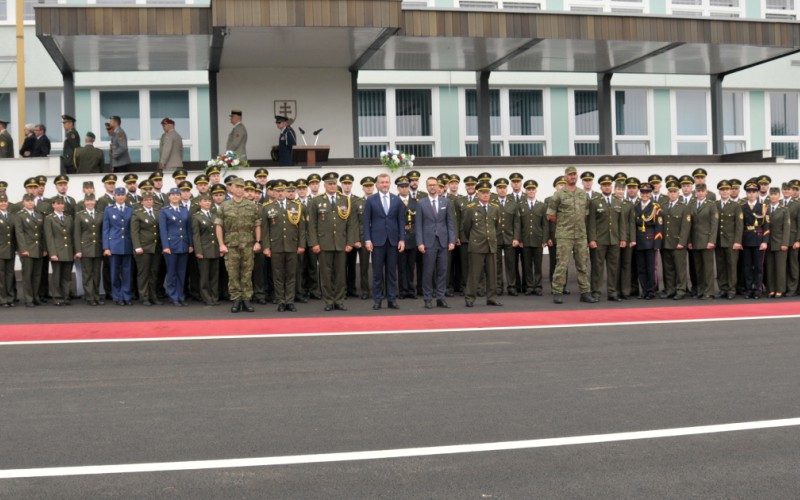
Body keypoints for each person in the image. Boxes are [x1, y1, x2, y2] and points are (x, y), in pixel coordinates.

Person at [307, 172, 357, 311]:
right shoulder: (316, 201)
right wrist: (314, 243)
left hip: (341, 243)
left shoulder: (345, 200)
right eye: (330, 184)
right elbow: (312, 225)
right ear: (325, 185)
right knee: (326, 274)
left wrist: (350, 242)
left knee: (340, 274)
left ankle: (339, 300)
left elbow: (351, 224)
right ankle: (329, 300)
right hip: (324, 244)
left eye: (334, 183)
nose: (333, 186)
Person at [547, 166, 596, 304]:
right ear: (565, 177)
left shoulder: (582, 194)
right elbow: (550, 215)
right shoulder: (558, 194)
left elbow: (585, 214)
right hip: (564, 235)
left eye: (574, 174)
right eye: (570, 175)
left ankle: (585, 292)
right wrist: (564, 223)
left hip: (580, 234)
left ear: (577, 176)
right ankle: (557, 291)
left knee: (582, 265)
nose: (572, 177)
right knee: (562, 264)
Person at [215, 178, 262, 313]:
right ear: (232, 188)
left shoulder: (251, 205)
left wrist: (258, 242)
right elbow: (219, 226)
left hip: (248, 244)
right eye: (237, 187)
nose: (240, 189)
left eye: (242, 187)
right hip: (231, 245)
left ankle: (246, 299)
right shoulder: (225, 206)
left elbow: (257, 225)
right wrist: (221, 244)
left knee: (247, 273)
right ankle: (236, 299)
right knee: (233, 273)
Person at [262, 180, 306, 312]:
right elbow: (265, 230)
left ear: (287, 192)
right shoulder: (267, 207)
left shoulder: (297, 206)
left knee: (291, 275)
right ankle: (281, 301)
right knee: (278, 275)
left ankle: (290, 301)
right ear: (274, 192)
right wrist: (266, 247)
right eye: (278, 191)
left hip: (292, 245)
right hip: (276, 246)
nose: (280, 194)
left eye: (283, 191)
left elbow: (302, 229)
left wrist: (301, 245)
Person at [363, 173, 405, 310]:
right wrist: (368, 239)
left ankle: (392, 299)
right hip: (377, 242)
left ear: (390, 183)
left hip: (393, 241)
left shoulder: (396, 200)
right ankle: (378, 300)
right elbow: (366, 222)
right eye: (382, 182)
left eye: (387, 182)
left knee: (392, 272)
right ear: (377, 184)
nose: (384, 184)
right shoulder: (371, 200)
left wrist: (402, 239)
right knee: (377, 273)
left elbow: (401, 222)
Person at [416, 176, 456, 309]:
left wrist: (452, 240)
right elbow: (419, 225)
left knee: (443, 271)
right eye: (430, 185)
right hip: (428, 242)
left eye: (434, 185)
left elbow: (450, 223)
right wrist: (420, 242)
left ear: (439, 186)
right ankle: (427, 298)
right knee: (428, 271)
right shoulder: (421, 203)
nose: (432, 187)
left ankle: (440, 297)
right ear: (426, 187)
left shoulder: (446, 202)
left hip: (443, 242)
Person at [462, 181, 503, 308]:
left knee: (492, 274)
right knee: (474, 274)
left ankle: (491, 297)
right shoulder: (471, 208)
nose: (485, 195)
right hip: (477, 245)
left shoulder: (495, 208)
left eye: (487, 192)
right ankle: (470, 297)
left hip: (491, 245)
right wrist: (475, 239)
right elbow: (466, 228)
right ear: (477, 193)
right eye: (482, 192)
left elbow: (496, 226)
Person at [587, 174, 624, 301]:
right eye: (604, 185)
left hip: (614, 240)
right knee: (597, 267)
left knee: (613, 268)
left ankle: (612, 292)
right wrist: (592, 239)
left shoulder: (618, 201)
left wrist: (622, 238)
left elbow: (621, 223)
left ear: (612, 186)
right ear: (601, 186)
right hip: (599, 240)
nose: (607, 187)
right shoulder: (595, 201)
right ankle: (596, 292)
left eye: (609, 185)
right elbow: (591, 222)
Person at [160, 187, 193, 306]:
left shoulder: (184, 210)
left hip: (183, 245)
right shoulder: (165, 211)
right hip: (171, 246)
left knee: (181, 272)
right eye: (173, 195)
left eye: (177, 195)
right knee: (172, 272)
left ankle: (180, 295)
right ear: (169, 197)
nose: (175, 197)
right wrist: (165, 246)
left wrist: (190, 244)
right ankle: (173, 295)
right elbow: (163, 230)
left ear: (180, 197)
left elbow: (188, 228)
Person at [660, 180, 692, 300]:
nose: (672, 194)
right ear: (668, 193)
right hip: (665, 243)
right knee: (668, 269)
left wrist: (682, 242)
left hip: (678, 243)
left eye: (674, 192)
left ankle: (681, 290)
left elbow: (685, 227)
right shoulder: (663, 206)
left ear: (679, 193)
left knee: (680, 269)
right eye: (670, 192)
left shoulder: (684, 207)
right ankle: (670, 289)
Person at [103, 187, 134, 306]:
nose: (120, 197)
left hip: (127, 245)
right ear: (114, 196)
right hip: (114, 245)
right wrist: (106, 247)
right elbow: (106, 229)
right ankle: (117, 296)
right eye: (118, 195)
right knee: (114, 273)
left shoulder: (131, 209)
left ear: (125, 196)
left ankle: (126, 295)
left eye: (122, 195)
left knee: (127, 272)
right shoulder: (109, 210)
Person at [14, 193, 47, 307]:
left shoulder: (38, 214)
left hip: (38, 249)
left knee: (37, 275)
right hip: (27, 250)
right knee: (27, 276)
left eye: (31, 201)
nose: (30, 203)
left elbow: (42, 233)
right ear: (23, 202)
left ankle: (35, 297)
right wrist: (23, 249)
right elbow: (20, 233)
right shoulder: (20, 215)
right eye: (27, 201)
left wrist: (44, 248)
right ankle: (28, 298)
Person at [688, 184, 719, 300]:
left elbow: (714, 224)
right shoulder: (691, 205)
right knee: (698, 268)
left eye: (702, 191)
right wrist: (690, 241)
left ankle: (709, 291)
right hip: (695, 241)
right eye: (698, 191)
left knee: (708, 268)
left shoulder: (711, 205)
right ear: (695, 192)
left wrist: (712, 241)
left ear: (706, 192)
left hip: (707, 241)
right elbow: (689, 225)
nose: (700, 193)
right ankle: (700, 290)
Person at [634, 182, 664, 300]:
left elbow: (659, 226)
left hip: (650, 241)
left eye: (647, 192)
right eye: (642, 192)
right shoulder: (636, 207)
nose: (644, 194)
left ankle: (651, 291)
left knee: (651, 268)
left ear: (650, 194)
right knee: (641, 268)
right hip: (639, 241)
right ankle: (644, 290)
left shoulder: (656, 208)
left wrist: (657, 243)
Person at [131, 193, 162, 306]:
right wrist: (137, 246)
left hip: (156, 247)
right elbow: (134, 232)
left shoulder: (158, 213)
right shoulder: (137, 214)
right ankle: (144, 296)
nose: (149, 201)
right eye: (146, 200)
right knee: (143, 273)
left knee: (154, 273)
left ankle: (153, 296)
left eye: (150, 200)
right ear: (142, 202)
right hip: (143, 248)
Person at [73, 193, 104, 305]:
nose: (90, 202)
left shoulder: (100, 214)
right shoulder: (79, 215)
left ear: (95, 202)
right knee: (87, 274)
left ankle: (96, 295)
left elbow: (102, 232)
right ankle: (89, 296)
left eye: (92, 200)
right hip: (85, 248)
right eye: (87, 201)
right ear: (84, 202)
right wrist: (78, 250)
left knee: (96, 274)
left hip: (98, 248)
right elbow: (76, 234)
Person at [715, 180, 743, 300]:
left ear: (731, 191)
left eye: (727, 189)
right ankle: (723, 288)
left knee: (731, 266)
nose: (725, 192)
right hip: (718, 240)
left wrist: (737, 241)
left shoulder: (736, 206)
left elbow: (739, 225)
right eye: (722, 190)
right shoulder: (715, 204)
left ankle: (732, 289)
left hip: (731, 241)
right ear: (719, 191)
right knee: (720, 266)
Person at [44, 197, 74, 306]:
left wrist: (74, 251)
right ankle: (57, 296)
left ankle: (66, 296)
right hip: (57, 250)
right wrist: (52, 253)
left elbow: (71, 235)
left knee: (67, 276)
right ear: (53, 205)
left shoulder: (68, 218)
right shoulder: (49, 218)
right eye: (58, 203)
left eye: (62, 203)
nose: (61, 205)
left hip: (68, 250)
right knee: (57, 276)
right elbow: (49, 237)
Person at [192, 194, 221, 306]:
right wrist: (198, 251)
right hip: (204, 249)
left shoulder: (214, 215)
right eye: (205, 201)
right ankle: (206, 297)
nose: (208, 203)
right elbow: (196, 235)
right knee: (204, 275)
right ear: (200, 203)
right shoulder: (196, 217)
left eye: (209, 200)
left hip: (214, 249)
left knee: (214, 275)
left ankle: (214, 296)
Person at [493, 178, 518, 297]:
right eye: (499, 188)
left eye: (504, 188)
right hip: (496, 238)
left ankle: (512, 286)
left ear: (507, 189)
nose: (502, 190)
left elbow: (516, 222)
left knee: (511, 264)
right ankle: (498, 287)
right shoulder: (492, 203)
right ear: (496, 189)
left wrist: (516, 238)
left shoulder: (513, 203)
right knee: (496, 264)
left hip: (509, 238)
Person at [764, 187, 791, 298]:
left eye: (775, 194)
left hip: (780, 242)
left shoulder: (784, 209)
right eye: (771, 194)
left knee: (780, 268)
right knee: (770, 267)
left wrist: (785, 243)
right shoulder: (765, 209)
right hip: (769, 242)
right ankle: (771, 289)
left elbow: (787, 228)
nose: (773, 196)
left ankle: (780, 289)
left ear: (779, 196)